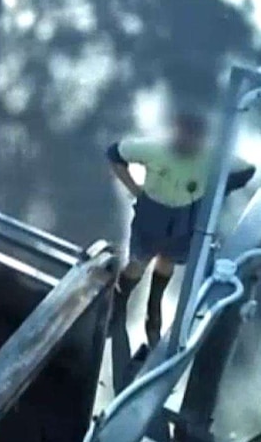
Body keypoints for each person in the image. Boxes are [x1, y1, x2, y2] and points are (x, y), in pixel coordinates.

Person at [106, 111, 256, 349]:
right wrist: (135, 189)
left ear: (202, 138)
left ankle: (153, 310)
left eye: (195, 137)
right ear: (175, 131)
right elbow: (115, 153)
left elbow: (246, 170)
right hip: (151, 214)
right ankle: (119, 304)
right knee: (138, 261)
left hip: (184, 218)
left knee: (168, 260)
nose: (189, 141)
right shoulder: (153, 150)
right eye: (184, 134)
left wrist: (214, 194)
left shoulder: (209, 157)